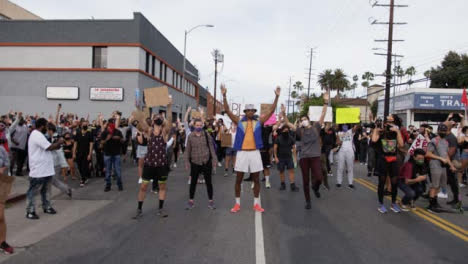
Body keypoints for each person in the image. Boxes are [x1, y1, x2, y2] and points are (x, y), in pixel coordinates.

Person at [222, 84, 280, 213]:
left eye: (252, 110)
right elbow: (227, 110)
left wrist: (276, 97)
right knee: (238, 179)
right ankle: (237, 204)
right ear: (245, 112)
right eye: (248, 110)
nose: (250, 112)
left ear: (254, 112)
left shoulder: (259, 122)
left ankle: (256, 204)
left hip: (255, 153)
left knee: (256, 178)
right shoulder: (239, 121)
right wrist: (224, 95)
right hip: (242, 153)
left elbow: (271, 110)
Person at [133, 97, 173, 219]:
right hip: (149, 164)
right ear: (153, 120)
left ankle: (160, 209)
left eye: (160, 117)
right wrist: (138, 107)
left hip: (161, 165)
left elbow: (170, 120)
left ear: (162, 120)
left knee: (162, 187)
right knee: (143, 187)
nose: (158, 117)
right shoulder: (149, 131)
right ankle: (139, 209)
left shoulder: (165, 132)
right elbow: (140, 120)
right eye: (156, 117)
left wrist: (169, 106)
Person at [296, 91, 329, 209]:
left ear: (309, 120)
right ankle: (308, 201)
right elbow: (288, 124)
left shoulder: (316, 127)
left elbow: (323, 114)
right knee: (305, 180)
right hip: (304, 158)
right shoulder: (300, 131)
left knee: (319, 177)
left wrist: (325, 102)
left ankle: (315, 187)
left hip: (315, 156)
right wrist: (284, 115)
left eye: (305, 119)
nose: (303, 120)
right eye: (301, 120)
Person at [26, 118, 63, 220]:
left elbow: (50, 146)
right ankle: (30, 211)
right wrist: (59, 142)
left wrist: (57, 145)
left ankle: (47, 207)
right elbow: (48, 147)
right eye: (46, 126)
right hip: (38, 170)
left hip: (45, 169)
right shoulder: (36, 135)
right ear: (42, 126)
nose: (47, 129)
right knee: (33, 191)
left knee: (45, 190)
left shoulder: (41, 135)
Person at [371, 114, 404, 213]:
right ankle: (381, 204)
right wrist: (376, 130)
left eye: (391, 121)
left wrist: (397, 131)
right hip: (383, 159)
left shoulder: (396, 132)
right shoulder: (381, 130)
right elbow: (373, 140)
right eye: (387, 121)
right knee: (382, 182)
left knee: (394, 182)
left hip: (393, 159)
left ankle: (393, 203)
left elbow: (401, 145)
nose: (389, 123)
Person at [185, 119, 218, 210]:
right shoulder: (190, 136)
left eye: (200, 125)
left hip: (206, 161)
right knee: (193, 183)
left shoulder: (206, 135)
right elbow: (188, 150)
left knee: (209, 182)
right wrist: (187, 162)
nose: (198, 127)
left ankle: (211, 201)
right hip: (195, 162)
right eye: (197, 125)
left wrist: (214, 159)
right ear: (194, 126)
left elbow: (211, 147)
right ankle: (191, 201)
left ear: (202, 125)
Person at [425, 124, 456, 213]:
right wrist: (440, 158)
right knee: (434, 185)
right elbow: (428, 154)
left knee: (439, 185)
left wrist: (451, 165)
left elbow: (446, 155)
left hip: (443, 166)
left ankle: (435, 202)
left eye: (444, 131)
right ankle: (431, 205)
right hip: (435, 164)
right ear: (438, 131)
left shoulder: (445, 142)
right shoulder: (434, 141)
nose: (443, 132)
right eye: (441, 131)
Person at [101, 116, 124, 192]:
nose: (112, 125)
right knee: (108, 171)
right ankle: (108, 185)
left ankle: (119, 184)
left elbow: (123, 140)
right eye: (111, 123)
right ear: (108, 124)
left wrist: (119, 138)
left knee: (118, 171)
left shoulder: (117, 131)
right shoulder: (104, 132)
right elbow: (101, 143)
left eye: (113, 123)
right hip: (107, 154)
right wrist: (107, 138)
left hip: (116, 153)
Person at [274, 125, 299, 192]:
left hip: (289, 158)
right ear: (282, 131)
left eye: (287, 130)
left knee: (291, 171)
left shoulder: (291, 138)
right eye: (284, 130)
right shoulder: (278, 138)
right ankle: (283, 185)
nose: (286, 131)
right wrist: (275, 157)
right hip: (280, 158)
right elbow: (275, 148)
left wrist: (295, 158)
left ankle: (292, 186)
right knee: (281, 171)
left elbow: (294, 148)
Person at [0, 143, 14, 254]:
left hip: (1, 182)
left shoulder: (1, 149)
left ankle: (2, 242)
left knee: (0, 216)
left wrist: (2, 169)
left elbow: (8, 163)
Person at [73, 120, 94, 187]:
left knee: (84, 166)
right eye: (83, 124)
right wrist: (73, 153)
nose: (85, 126)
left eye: (86, 125)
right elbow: (75, 144)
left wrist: (90, 154)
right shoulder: (78, 133)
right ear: (81, 125)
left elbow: (91, 144)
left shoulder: (89, 133)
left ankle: (82, 179)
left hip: (86, 152)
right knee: (79, 166)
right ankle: (84, 177)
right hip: (79, 152)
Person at [336, 124, 357, 189]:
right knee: (340, 167)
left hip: (350, 151)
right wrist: (341, 138)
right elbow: (337, 143)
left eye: (346, 125)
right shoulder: (338, 132)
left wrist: (357, 119)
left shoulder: (351, 131)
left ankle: (350, 183)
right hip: (341, 151)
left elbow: (355, 127)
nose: (344, 126)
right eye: (343, 125)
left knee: (350, 168)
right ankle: (339, 182)